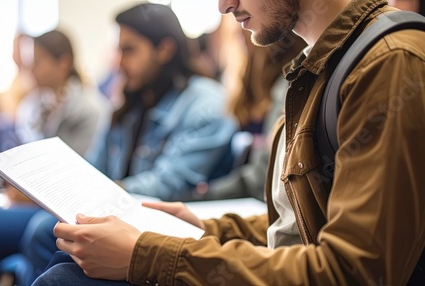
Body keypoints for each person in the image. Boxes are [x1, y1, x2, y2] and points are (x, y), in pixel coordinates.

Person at [33, 0, 425, 285]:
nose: (224, 6)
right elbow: (304, 224)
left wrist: (148, 255)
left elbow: (354, 272)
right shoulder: (324, 65)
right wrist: (209, 229)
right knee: (65, 256)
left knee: (62, 278)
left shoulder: (387, 63)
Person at [0, 30, 108, 286]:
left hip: (50, 207)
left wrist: (26, 193)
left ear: (63, 63)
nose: (30, 69)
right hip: (24, 200)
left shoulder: (89, 109)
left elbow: (79, 176)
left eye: (37, 62)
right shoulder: (36, 104)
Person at [87, 3, 236, 201]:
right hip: (120, 207)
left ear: (165, 50)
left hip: (168, 217)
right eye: (119, 50)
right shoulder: (131, 101)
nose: (119, 63)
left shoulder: (205, 103)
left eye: (129, 50)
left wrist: (103, 192)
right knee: (47, 223)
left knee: (43, 226)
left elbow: (170, 185)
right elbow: (93, 167)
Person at [193, 31, 305, 201]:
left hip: (258, 197)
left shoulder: (289, 87)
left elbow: (262, 175)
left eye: (248, 33)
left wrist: (210, 193)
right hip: (246, 191)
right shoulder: (249, 79)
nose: (243, 39)